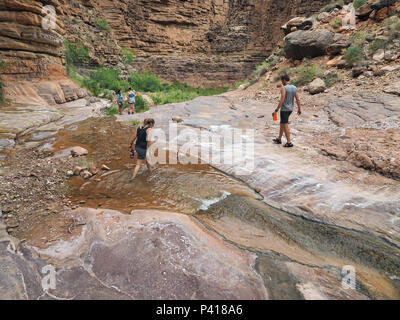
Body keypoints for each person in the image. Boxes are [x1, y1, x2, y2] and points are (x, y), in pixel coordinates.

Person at [272, 74, 302, 148]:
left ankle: (289, 142)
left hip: (284, 109)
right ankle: (279, 139)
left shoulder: (284, 88)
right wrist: (299, 108)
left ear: (284, 80)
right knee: (282, 123)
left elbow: (282, 99)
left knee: (285, 125)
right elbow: (297, 99)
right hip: (290, 109)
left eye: (282, 81)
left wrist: (276, 109)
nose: (282, 82)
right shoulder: (294, 87)